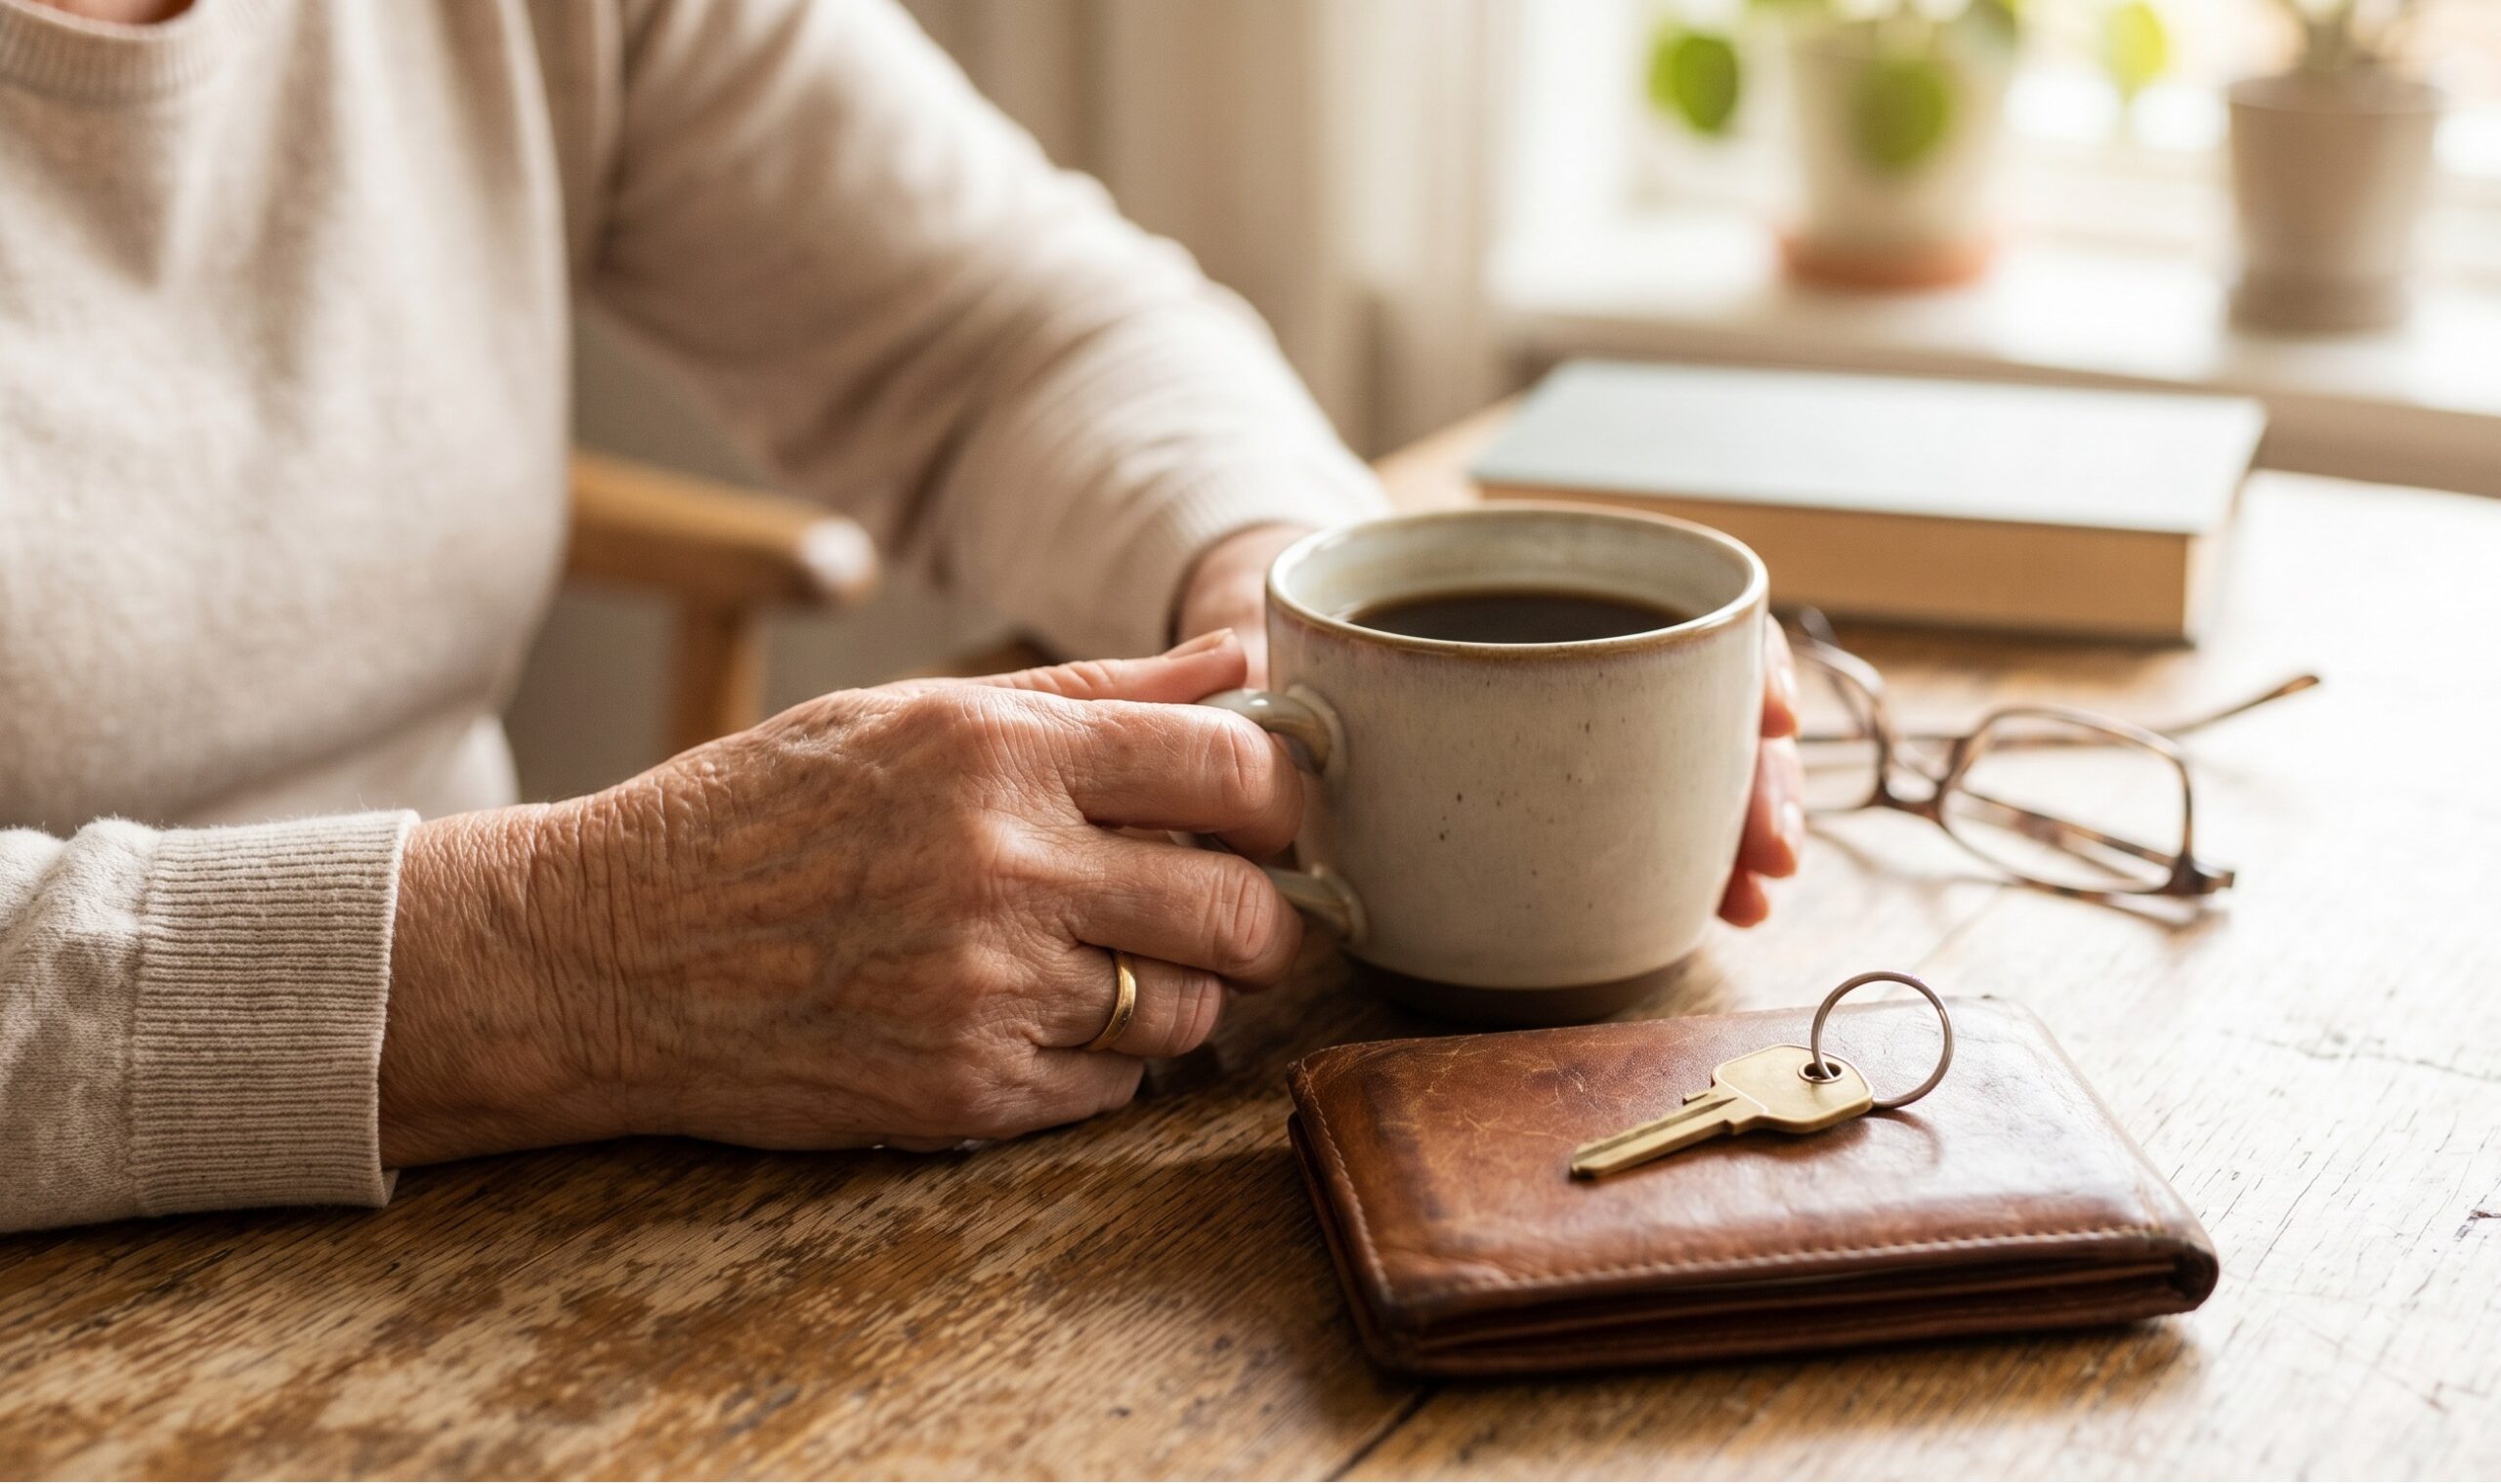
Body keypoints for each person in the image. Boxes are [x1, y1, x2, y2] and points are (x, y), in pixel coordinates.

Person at [0, 0, 1804, 1234]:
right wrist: (564, 956)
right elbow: (556, 960)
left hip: (479, 1217)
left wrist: (1295, 596)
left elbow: (1016, 328)